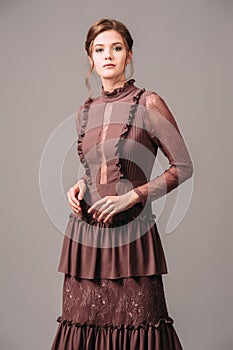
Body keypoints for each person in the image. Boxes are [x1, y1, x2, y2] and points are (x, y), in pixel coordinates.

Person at [51, 18, 194, 350]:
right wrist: (80, 185)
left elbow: (183, 167)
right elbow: (95, 167)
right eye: (99, 49)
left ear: (129, 54)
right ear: (90, 58)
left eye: (116, 48)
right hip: (84, 240)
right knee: (82, 328)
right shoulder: (83, 112)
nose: (108, 55)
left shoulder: (149, 103)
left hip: (132, 237)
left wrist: (134, 197)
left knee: (140, 327)